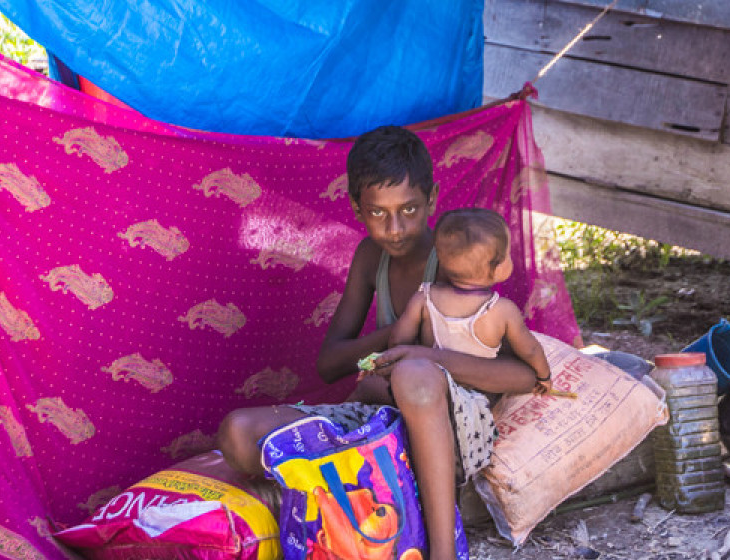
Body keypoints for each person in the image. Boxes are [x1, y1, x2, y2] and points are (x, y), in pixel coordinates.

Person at [217, 125, 538, 560]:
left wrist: (420, 353)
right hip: (381, 419)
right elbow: (330, 363)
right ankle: (360, 499)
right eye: (378, 213)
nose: (395, 227)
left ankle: (443, 551)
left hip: (450, 425)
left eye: (409, 209)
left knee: (413, 376)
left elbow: (522, 375)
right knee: (238, 433)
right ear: (356, 208)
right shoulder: (371, 258)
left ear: (432, 199)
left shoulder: (454, 258)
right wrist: (398, 333)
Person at [377, 208, 552, 399]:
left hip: (435, 389)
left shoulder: (423, 298)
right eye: (508, 254)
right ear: (498, 268)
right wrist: (544, 376)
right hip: (478, 398)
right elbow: (530, 350)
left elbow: (397, 341)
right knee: (527, 377)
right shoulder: (502, 309)